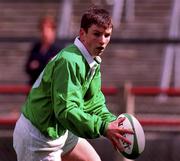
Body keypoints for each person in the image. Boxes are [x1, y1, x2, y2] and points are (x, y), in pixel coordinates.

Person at [13, 6, 133, 161]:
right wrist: (103, 128)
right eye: (97, 34)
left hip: (59, 131)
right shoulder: (69, 61)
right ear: (82, 34)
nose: (102, 41)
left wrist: (112, 122)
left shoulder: (92, 60)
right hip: (38, 140)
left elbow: (93, 102)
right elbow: (66, 111)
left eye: (107, 35)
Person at [25, 15, 61, 85]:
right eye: (42, 29)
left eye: (47, 29)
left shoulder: (57, 50)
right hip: (34, 87)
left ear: (53, 31)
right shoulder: (35, 48)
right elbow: (28, 68)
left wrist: (37, 65)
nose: (44, 33)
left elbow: (54, 71)